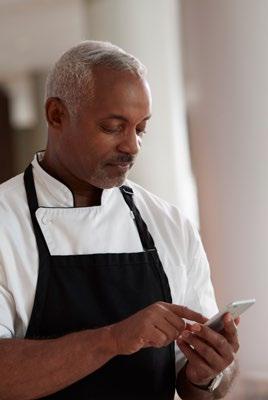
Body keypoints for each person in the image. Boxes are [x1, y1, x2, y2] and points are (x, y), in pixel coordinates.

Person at [0, 40, 239, 400]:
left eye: (141, 129)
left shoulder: (170, 225)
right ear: (56, 115)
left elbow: (199, 388)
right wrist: (113, 339)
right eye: (114, 127)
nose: (132, 146)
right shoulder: (5, 221)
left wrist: (207, 374)